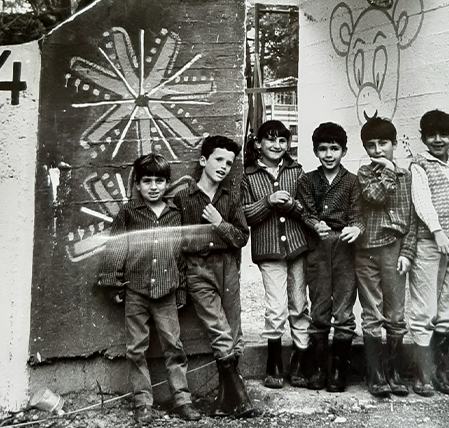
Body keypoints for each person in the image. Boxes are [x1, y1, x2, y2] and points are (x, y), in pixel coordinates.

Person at [95, 154, 202, 425]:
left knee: (174, 347)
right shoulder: (129, 213)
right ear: (137, 184)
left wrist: (181, 290)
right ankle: (143, 402)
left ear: (167, 183)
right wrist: (113, 282)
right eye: (147, 181)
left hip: (166, 293)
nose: (153, 187)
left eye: (159, 181)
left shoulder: (175, 214)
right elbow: (117, 246)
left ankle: (182, 400)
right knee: (136, 349)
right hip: (136, 292)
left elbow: (179, 254)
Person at [174, 135, 259, 418]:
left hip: (227, 268)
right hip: (198, 269)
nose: (223, 166)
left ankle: (225, 400)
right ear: (203, 161)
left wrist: (219, 223)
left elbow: (242, 237)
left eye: (229, 163)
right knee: (219, 331)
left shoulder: (230, 198)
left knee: (234, 333)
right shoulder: (184, 199)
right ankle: (243, 399)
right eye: (218, 160)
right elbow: (179, 242)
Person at [239, 120, 313, 389]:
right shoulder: (248, 176)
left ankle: (300, 360)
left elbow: (307, 209)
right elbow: (245, 215)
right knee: (276, 307)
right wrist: (268, 202)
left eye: (282, 140)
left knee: (299, 305)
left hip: (297, 247)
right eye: (270, 140)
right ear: (258, 144)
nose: (277, 145)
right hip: (269, 251)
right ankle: (274, 362)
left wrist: (292, 205)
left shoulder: (297, 170)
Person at [400, 109, 449, 397]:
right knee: (424, 310)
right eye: (431, 135)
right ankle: (423, 375)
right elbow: (422, 201)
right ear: (424, 138)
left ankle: (441, 374)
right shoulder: (420, 165)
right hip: (430, 242)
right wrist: (438, 231)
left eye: (443, 135)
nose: (437, 140)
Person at [295, 121, 361, 392]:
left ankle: (338, 372)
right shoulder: (307, 180)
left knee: (343, 310)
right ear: (315, 151)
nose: (329, 154)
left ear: (344, 151)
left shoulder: (352, 181)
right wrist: (315, 224)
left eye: (334, 148)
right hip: (318, 247)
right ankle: (319, 369)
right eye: (323, 149)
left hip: (345, 248)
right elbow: (305, 211)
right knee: (320, 308)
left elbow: (358, 214)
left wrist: (356, 228)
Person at [353, 116, 414, 398]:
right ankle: (375, 374)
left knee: (396, 314)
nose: (377, 150)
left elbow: (413, 220)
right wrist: (387, 172)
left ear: (395, 143)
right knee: (372, 312)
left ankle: (394, 372)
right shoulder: (364, 174)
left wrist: (408, 252)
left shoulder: (407, 177)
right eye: (371, 145)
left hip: (395, 250)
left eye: (383, 143)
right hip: (367, 251)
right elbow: (375, 197)